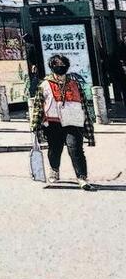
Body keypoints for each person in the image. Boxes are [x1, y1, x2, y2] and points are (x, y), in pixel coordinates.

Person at [30, 53, 96, 190]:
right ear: (52, 66)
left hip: (73, 121)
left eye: (62, 64)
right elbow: (38, 106)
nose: (60, 67)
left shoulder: (74, 84)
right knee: (55, 149)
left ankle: (82, 177)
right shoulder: (44, 85)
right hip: (53, 123)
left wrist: (88, 123)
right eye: (57, 64)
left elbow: (83, 104)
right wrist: (35, 125)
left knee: (75, 148)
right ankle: (54, 169)